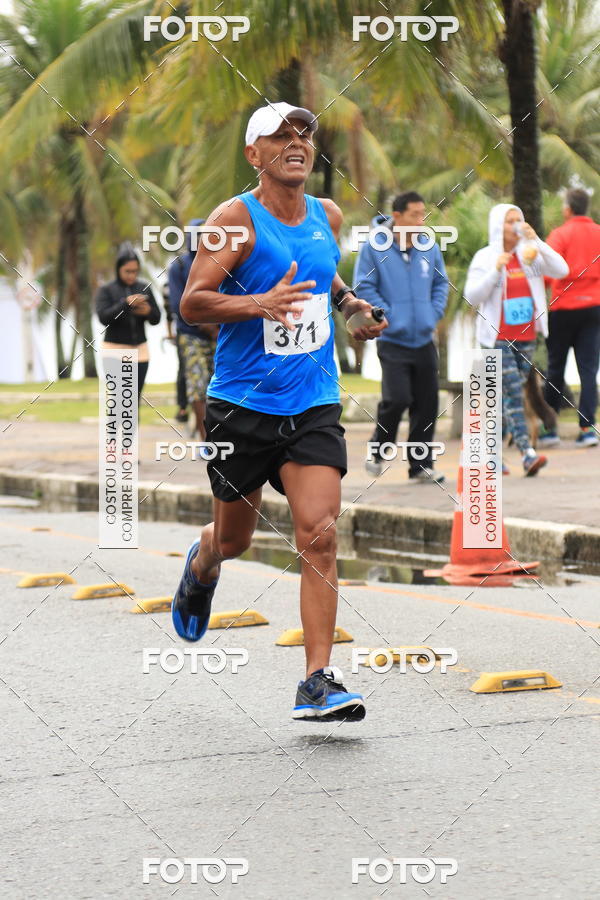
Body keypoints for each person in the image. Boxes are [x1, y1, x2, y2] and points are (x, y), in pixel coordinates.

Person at [172, 101, 386, 722]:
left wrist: (352, 310)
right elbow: (193, 302)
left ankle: (316, 681)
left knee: (319, 533)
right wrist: (258, 303)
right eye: (280, 135)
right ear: (254, 154)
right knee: (235, 539)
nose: (296, 142)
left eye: (304, 134)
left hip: (314, 401)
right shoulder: (232, 220)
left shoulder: (328, 214)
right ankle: (204, 561)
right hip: (242, 405)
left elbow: (326, 282)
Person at [464, 204, 568, 476]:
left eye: (518, 219)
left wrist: (538, 242)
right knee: (510, 392)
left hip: (527, 337)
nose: (515, 225)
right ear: (498, 225)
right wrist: (495, 271)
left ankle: (491, 455)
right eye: (510, 221)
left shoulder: (529, 254)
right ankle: (527, 453)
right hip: (497, 337)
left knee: (505, 397)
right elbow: (472, 296)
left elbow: (562, 270)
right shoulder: (485, 257)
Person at [354, 193, 449, 482]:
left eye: (423, 214)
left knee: (427, 403)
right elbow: (365, 287)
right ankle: (379, 447)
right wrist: (391, 317)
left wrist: (432, 314)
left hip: (423, 339)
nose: (421, 221)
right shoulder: (373, 247)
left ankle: (420, 466)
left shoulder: (429, 246)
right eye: (415, 215)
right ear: (397, 217)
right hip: (392, 339)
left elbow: (440, 283)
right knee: (397, 399)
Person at [540, 187, 600, 448]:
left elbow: (546, 270)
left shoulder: (560, 234)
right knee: (589, 369)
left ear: (567, 209)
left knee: (555, 367)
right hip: (594, 308)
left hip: (563, 308)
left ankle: (549, 429)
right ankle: (587, 428)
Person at [168, 219, 218, 442]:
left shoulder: (220, 262)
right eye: (198, 235)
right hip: (191, 334)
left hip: (221, 332)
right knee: (198, 387)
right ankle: (205, 440)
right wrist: (206, 327)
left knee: (223, 386)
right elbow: (178, 304)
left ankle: (225, 437)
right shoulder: (179, 265)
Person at [95, 243, 161, 402]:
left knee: (134, 400)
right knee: (119, 401)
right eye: (127, 271)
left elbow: (157, 318)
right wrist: (125, 303)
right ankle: (114, 427)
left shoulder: (144, 288)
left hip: (140, 352)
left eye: (135, 271)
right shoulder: (107, 290)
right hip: (114, 351)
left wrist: (148, 312)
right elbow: (104, 318)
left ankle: (131, 428)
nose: (132, 275)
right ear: (118, 269)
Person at [161, 278, 188, 423]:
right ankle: (182, 407)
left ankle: (183, 407)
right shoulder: (169, 283)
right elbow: (169, 311)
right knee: (183, 370)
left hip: (201, 328)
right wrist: (170, 333)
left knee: (183, 370)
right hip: (183, 330)